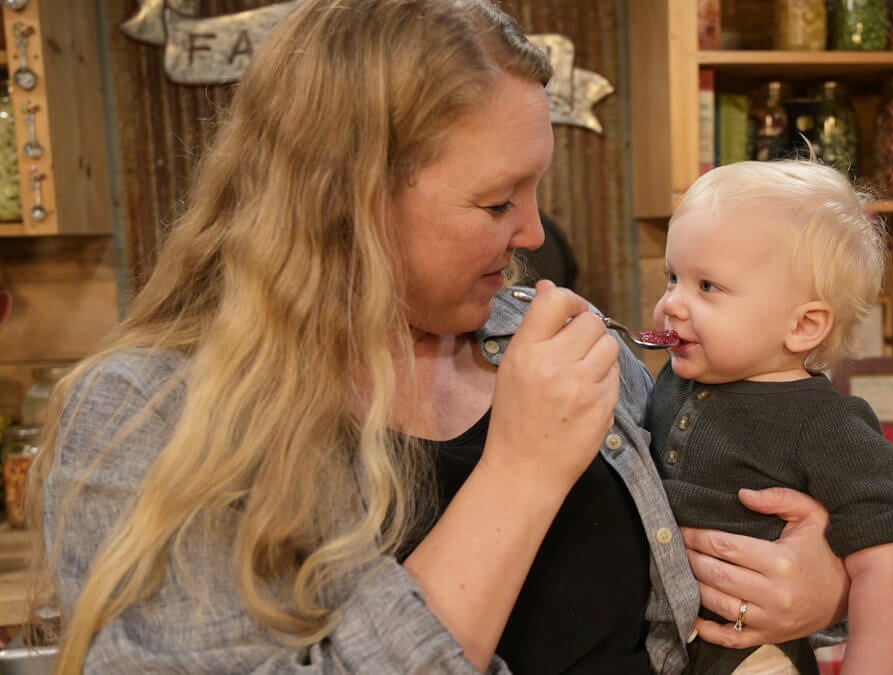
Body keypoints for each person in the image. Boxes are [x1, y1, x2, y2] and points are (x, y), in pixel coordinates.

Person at [30, 2, 851, 674]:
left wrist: (811, 589)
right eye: (496, 202)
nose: (531, 231)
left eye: (536, 192)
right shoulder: (147, 414)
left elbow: (715, 547)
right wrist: (520, 473)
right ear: (344, 201)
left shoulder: (552, 342)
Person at [646, 160, 893, 675]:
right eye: (672, 277)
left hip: (752, 659)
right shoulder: (672, 381)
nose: (671, 305)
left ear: (803, 326)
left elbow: (885, 566)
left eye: (707, 286)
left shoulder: (829, 427)